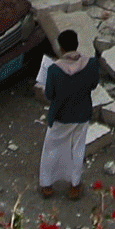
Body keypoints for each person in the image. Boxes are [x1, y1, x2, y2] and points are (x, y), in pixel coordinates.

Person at [34, 30, 99, 201]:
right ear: (77, 44)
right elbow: (93, 84)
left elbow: (49, 94)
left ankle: (47, 185)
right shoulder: (91, 64)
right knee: (77, 149)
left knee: (51, 148)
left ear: (61, 48)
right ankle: (74, 186)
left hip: (61, 115)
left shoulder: (54, 70)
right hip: (83, 114)